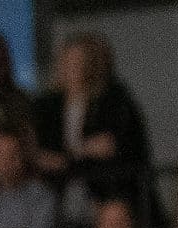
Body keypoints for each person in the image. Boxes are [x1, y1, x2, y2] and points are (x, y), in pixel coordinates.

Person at [32, 33, 151, 218]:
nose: (75, 67)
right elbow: (40, 152)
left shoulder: (109, 102)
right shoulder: (46, 107)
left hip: (101, 189)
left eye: (80, 60)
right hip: (57, 192)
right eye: (69, 60)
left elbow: (107, 145)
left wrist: (69, 156)